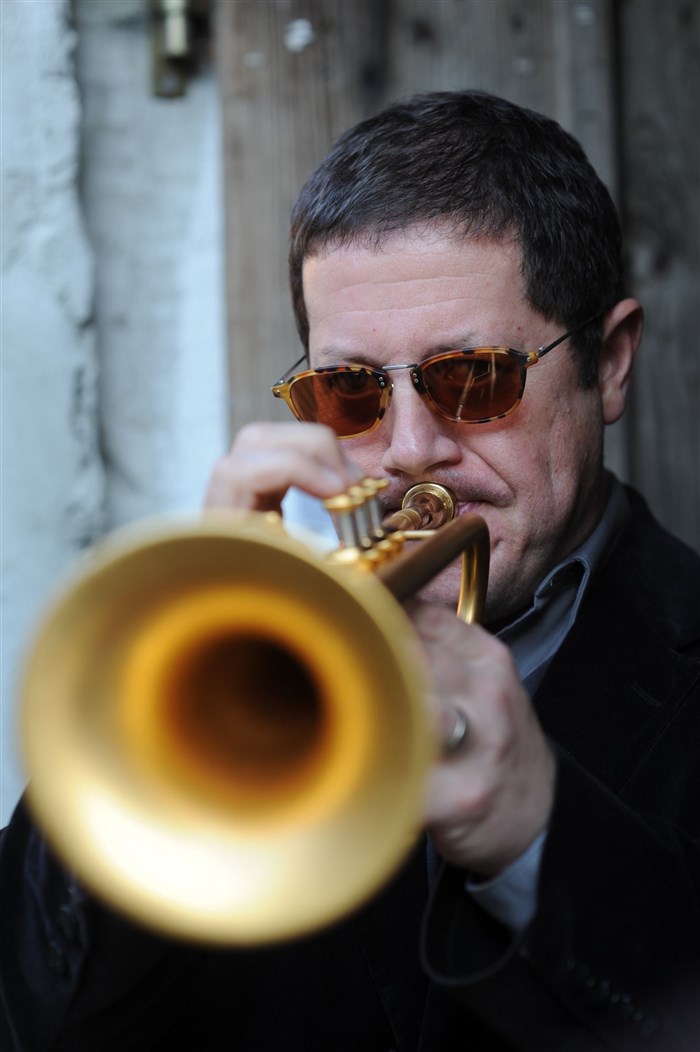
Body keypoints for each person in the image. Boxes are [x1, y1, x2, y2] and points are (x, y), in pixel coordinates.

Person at [1, 90, 699, 1052]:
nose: (409, 450)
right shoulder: (247, 648)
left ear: (609, 363)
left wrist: (536, 830)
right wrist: (173, 702)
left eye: (473, 377)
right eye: (350, 390)